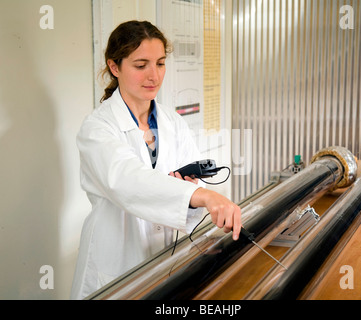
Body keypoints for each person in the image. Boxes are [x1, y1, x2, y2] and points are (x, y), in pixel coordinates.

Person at [70, 20, 242, 300]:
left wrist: (190, 189)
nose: (154, 76)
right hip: (116, 260)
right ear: (115, 67)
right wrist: (202, 196)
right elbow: (125, 179)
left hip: (163, 255)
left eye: (160, 63)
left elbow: (186, 186)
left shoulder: (172, 122)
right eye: (141, 65)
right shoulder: (98, 128)